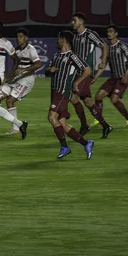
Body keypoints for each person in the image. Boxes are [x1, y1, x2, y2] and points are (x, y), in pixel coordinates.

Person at [46, 30, 95, 159]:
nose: (57, 41)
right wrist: (50, 70)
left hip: (63, 92)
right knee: (63, 125)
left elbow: (87, 70)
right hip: (54, 92)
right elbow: (47, 70)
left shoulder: (72, 56)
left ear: (64, 40)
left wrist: (76, 83)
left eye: (59, 38)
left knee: (51, 117)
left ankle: (65, 147)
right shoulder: (56, 56)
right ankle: (86, 143)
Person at [70, 12, 113, 138]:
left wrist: (103, 61)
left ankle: (84, 125)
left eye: (75, 20)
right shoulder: (75, 37)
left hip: (86, 72)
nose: (72, 23)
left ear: (81, 22)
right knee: (88, 102)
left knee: (73, 98)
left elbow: (104, 46)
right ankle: (106, 126)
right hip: (77, 73)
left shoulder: (90, 34)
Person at [0, 27, 42, 135]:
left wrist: (24, 69)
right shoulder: (16, 50)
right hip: (16, 79)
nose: (18, 39)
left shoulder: (31, 49)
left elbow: (38, 64)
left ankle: (16, 128)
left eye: (21, 37)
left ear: (26, 38)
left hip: (26, 80)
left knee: (10, 101)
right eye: (17, 37)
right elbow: (15, 66)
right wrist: (10, 76)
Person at [93, 25, 128, 128]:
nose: (108, 33)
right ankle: (98, 118)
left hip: (122, 77)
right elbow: (103, 66)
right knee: (98, 96)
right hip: (113, 78)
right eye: (107, 32)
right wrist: (95, 78)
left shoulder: (122, 45)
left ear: (116, 33)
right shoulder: (107, 49)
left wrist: (126, 74)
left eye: (111, 31)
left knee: (114, 99)